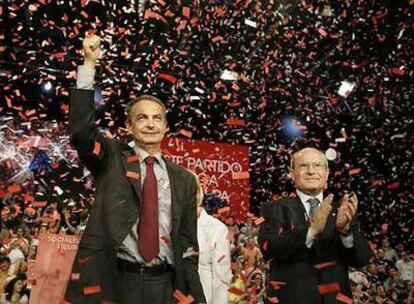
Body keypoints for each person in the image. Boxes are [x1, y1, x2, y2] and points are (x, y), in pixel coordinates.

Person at [64, 34, 206, 303]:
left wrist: (197, 298)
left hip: (165, 285)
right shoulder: (112, 158)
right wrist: (88, 65)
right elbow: (82, 133)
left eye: (157, 119)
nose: (150, 124)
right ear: (128, 127)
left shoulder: (185, 180)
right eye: (142, 118)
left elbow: (188, 247)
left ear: (166, 128)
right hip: (116, 282)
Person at [258, 147, 372, 304]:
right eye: (303, 166)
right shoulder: (275, 208)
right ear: (292, 173)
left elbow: (361, 259)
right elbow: (269, 248)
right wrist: (310, 231)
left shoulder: (342, 209)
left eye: (317, 165)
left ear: (326, 173)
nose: (311, 171)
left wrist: (344, 231)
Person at [193, 171, 232, 304]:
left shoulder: (217, 228)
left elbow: (221, 277)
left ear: (198, 194)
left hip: (204, 296)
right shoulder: (167, 224)